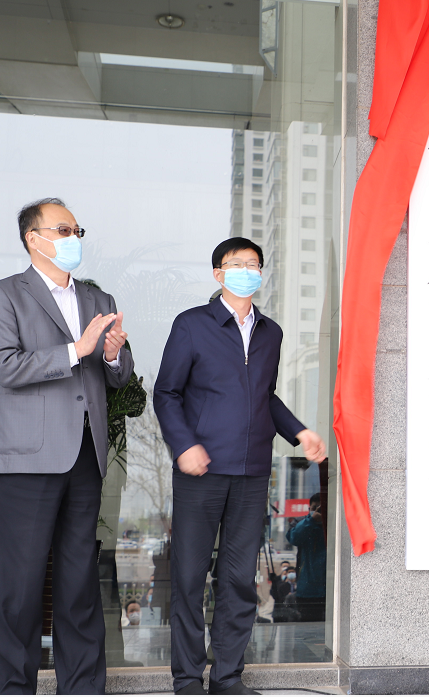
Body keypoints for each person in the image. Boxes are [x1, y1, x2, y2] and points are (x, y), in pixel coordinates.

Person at [154, 237, 326, 696]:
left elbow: (264, 397)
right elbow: (166, 393)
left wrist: (299, 432)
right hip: (200, 471)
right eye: (237, 264)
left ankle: (227, 677)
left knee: (237, 580)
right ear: (218, 274)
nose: (247, 270)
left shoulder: (271, 332)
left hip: (252, 473)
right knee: (190, 578)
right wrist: (184, 445)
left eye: (254, 264)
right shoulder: (192, 325)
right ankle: (188, 679)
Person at [0, 198, 132, 694]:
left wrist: (111, 356)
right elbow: (7, 366)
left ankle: (84, 687)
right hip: (27, 461)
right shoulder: (2, 295)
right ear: (33, 238)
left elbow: (120, 375)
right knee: (17, 588)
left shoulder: (98, 298)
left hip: (85, 459)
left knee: (79, 585)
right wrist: (76, 351)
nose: (73, 238)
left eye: (76, 229)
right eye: (62, 229)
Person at [286, 492, 327, 623]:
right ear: (309, 509)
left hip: (330, 587)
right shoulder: (303, 522)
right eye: (315, 508)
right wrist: (311, 520)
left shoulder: (334, 523)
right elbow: (293, 538)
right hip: (307, 589)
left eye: (321, 508)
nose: (318, 511)